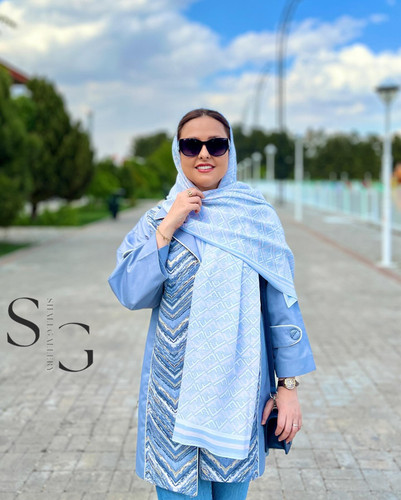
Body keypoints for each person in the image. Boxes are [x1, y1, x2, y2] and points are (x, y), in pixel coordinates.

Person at [108, 108, 316, 500]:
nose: (204, 153)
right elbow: (130, 292)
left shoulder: (255, 218)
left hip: (239, 391)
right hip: (172, 394)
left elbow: (282, 305)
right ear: (178, 153)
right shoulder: (158, 219)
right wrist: (168, 227)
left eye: (216, 144)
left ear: (229, 151)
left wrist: (288, 386)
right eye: (191, 145)